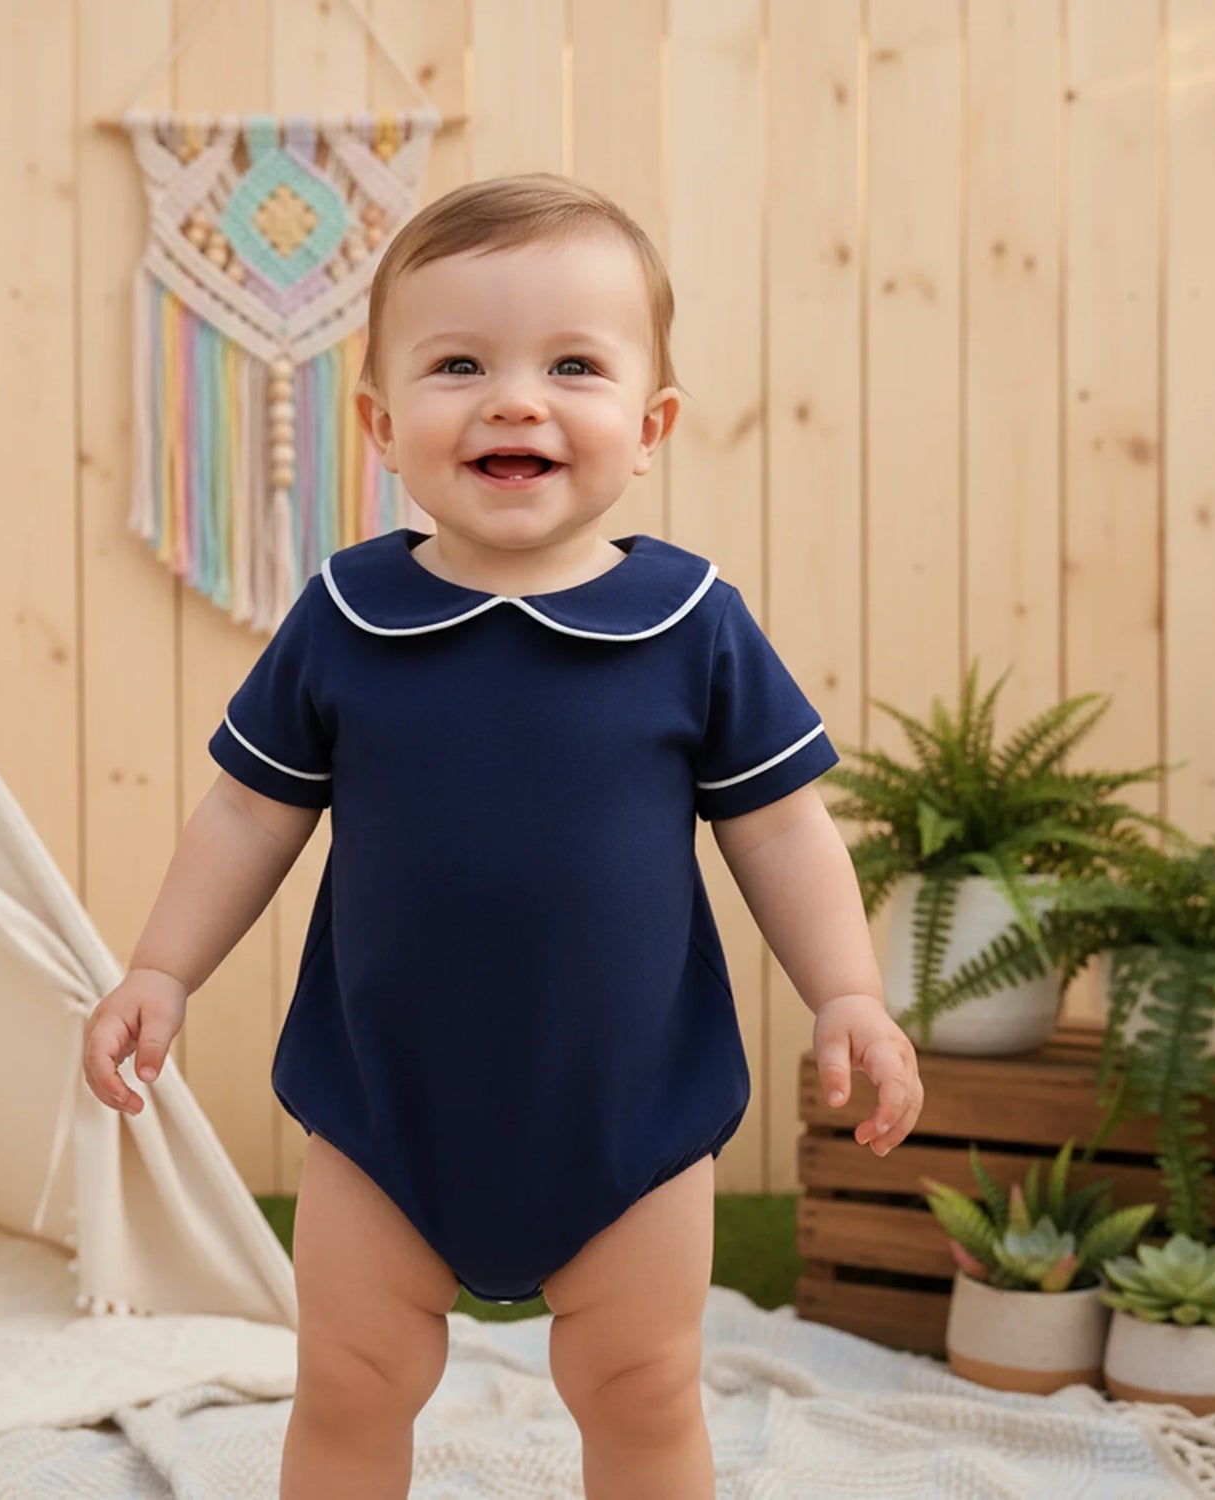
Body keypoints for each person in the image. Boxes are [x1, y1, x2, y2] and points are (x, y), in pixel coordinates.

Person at [83, 171, 923, 1500]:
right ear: (378, 421)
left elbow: (779, 830)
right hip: (386, 1115)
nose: (516, 399)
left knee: (643, 1390)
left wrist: (849, 994)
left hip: (628, 1114)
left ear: (649, 425)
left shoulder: (691, 623)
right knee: (351, 1383)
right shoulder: (346, 617)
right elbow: (250, 810)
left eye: (572, 366)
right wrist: (160, 971)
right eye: (459, 363)